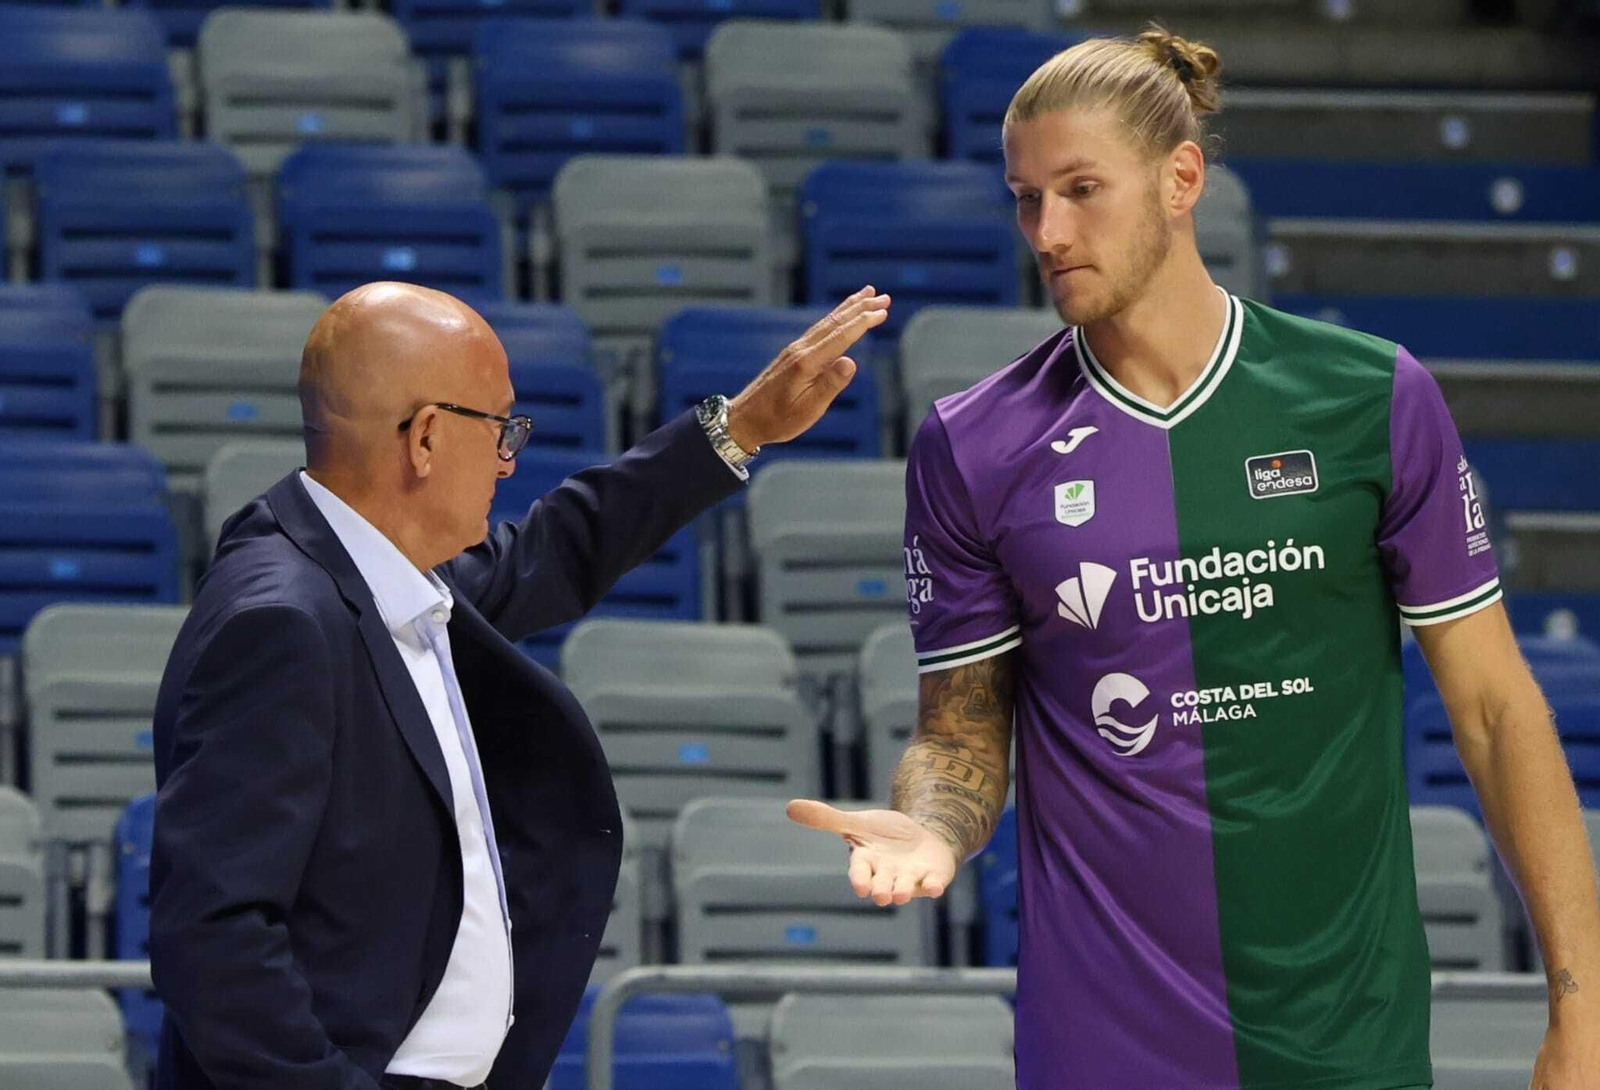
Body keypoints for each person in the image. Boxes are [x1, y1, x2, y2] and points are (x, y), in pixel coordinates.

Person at [788, 26, 1600, 1090]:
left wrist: (1578, 1010)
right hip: (1100, 1039)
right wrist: (933, 825)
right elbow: (960, 732)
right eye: (1027, 197)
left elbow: (1496, 713)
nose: (1048, 229)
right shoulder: (972, 443)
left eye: (1082, 188)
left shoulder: (1370, 398)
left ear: (1182, 179)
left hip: (1342, 1032)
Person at [149, 280, 890, 1090]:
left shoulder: (377, 573)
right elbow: (215, 940)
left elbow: (559, 547)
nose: (509, 458)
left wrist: (740, 429)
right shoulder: (284, 620)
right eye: (501, 428)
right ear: (426, 437)